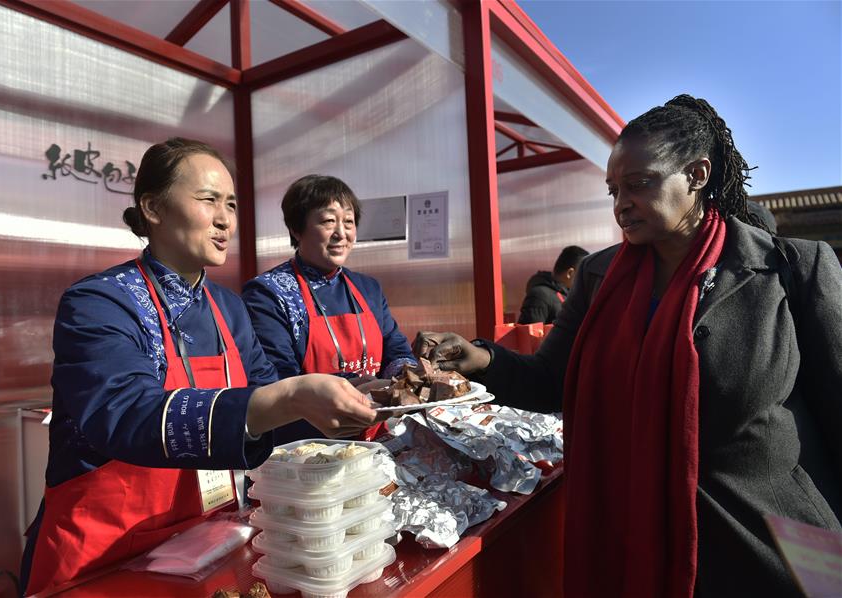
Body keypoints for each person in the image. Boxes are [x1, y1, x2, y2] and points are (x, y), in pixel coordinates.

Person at [412, 95, 842, 598]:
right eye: (613, 190)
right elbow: (553, 381)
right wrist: (481, 358)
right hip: (638, 536)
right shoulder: (598, 276)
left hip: (774, 544)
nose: (621, 203)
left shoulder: (790, 269)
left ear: (697, 175)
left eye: (639, 184)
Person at [20, 139, 377, 596]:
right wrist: (286, 397)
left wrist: (357, 402)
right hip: (103, 557)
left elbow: (269, 408)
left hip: (205, 544)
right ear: (153, 207)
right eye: (209, 200)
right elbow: (125, 412)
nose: (225, 219)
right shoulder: (100, 302)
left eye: (231, 204)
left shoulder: (228, 307)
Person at [242, 175, 416, 444]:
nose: (341, 233)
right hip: (305, 445)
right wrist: (357, 385)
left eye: (349, 222)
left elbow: (395, 348)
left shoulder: (367, 288)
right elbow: (276, 377)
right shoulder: (268, 293)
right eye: (328, 221)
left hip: (375, 441)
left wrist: (409, 376)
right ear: (297, 229)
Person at [517, 245, 589, 324]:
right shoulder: (540, 296)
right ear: (570, 273)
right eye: (581, 275)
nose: (584, 280)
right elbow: (530, 330)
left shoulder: (567, 295)